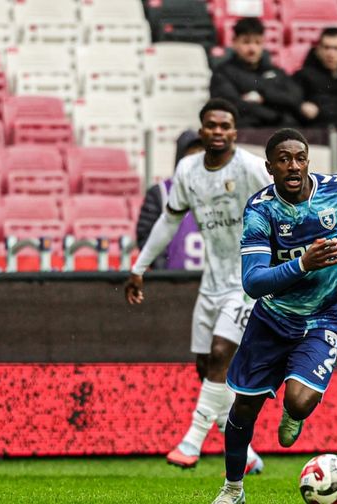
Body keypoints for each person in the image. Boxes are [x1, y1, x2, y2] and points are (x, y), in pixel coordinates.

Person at [210, 128, 337, 504]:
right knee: (244, 407)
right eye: (284, 160)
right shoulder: (261, 211)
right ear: (270, 168)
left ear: (308, 161)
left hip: (328, 315)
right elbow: (253, 282)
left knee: (300, 402)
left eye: (300, 158)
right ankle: (233, 489)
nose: (293, 166)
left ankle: (293, 410)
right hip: (274, 318)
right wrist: (303, 264)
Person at [125, 98, 270, 474]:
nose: (218, 132)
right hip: (212, 282)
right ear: (202, 130)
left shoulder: (251, 167)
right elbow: (169, 220)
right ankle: (244, 450)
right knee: (206, 368)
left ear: (234, 132)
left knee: (222, 354)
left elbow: (288, 202)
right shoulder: (188, 169)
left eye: (225, 126)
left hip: (247, 280)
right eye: (211, 125)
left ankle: (192, 439)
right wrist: (140, 266)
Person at [210, 17, 303, 128]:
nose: (252, 48)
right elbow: (231, 105)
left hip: (281, 128)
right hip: (246, 130)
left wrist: (264, 96)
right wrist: (274, 113)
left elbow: (295, 98)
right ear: (234, 42)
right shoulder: (222, 72)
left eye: (257, 42)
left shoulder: (275, 71)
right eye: (246, 42)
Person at [135, 131, 204, 271]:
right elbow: (145, 235)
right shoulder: (160, 193)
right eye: (192, 154)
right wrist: (163, 270)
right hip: (172, 280)